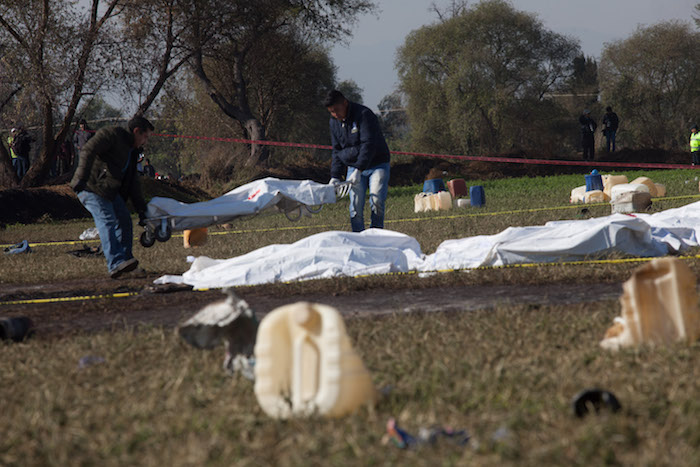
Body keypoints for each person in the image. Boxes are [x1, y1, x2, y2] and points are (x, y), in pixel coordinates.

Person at [70, 116, 154, 279]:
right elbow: (88, 149)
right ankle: (115, 263)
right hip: (90, 187)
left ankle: (126, 262)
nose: (145, 141)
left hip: (108, 192)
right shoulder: (112, 135)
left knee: (124, 220)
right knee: (107, 220)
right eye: (145, 137)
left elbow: (133, 184)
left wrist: (142, 211)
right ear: (137, 131)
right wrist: (80, 179)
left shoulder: (132, 151)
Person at [325, 89, 391, 232]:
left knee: (377, 201)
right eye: (331, 112)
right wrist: (335, 176)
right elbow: (336, 150)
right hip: (353, 167)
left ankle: (376, 235)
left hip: (377, 164)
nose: (335, 115)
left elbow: (368, 144)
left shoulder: (364, 115)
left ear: (345, 103)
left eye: (337, 110)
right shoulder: (334, 123)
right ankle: (358, 237)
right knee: (355, 206)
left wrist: (359, 169)